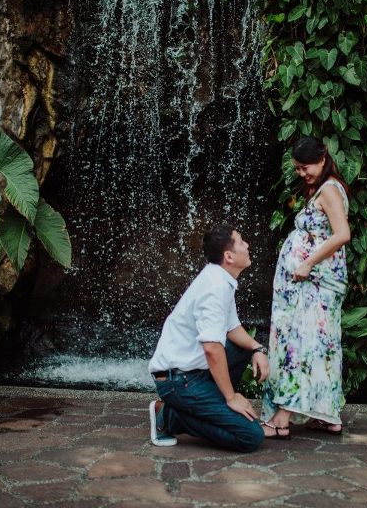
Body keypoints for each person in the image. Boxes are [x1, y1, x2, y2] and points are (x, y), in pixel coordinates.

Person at [148, 225, 270, 452]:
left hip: (192, 374)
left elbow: (232, 328)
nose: (247, 245)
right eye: (242, 242)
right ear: (229, 256)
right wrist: (231, 397)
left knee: (241, 347)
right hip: (178, 382)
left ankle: (214, 407)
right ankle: (169, 417)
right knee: (251, 437)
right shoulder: (215, 288)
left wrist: (258, 349)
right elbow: (212, 349)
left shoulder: (221, 279)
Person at [260, 136, 351, 439]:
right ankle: (327, 416)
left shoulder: (329, 190)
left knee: (302, 345)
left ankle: (282, 416)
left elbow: (342, 234)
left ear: (323, 158)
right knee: (321, 345)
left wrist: (308, 263)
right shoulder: (322, 189)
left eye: (306, 167)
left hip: (317, 282)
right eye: (298, 169)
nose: (302, 173)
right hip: (313, 282)